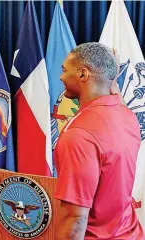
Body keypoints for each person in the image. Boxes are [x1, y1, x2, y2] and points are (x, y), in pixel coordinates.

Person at [54, 42, 145, 239]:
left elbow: (75, 219)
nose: (60, 77)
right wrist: (110, 76)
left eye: (64, 70)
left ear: (82, 75)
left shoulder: (79, 134)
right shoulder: (128, 117)